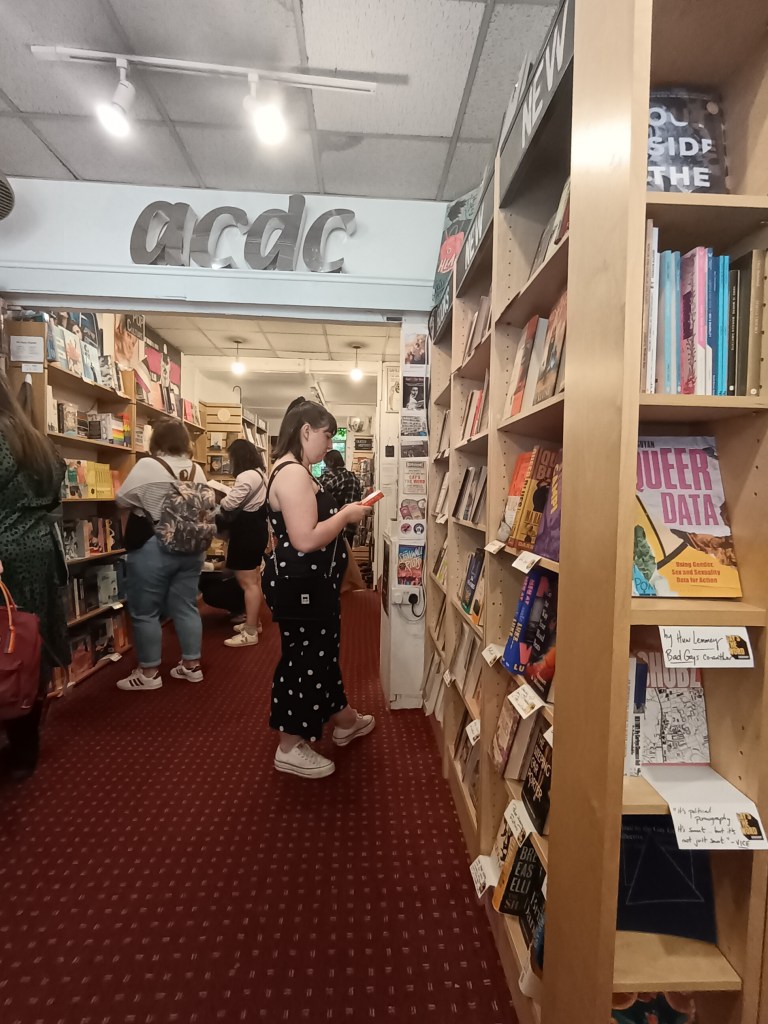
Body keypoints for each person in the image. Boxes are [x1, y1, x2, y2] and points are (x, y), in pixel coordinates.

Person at [264, 398, 374, 779]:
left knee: (320, 655)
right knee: (305, 659)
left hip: (311, 586)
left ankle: (343, 719)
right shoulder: (293, 474)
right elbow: (306, 539)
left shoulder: (296, 470)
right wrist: (345, 515)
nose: (330, 445)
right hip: (303, 588)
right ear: (305, 431)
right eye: (327, 435)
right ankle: (290, 744)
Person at [0, 372, 69, 781]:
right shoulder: (35, 439)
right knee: (28, 639)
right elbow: (57, 488)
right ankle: (26, 746)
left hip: (4, 550)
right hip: (38, 548)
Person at [115, 418, 209, 691]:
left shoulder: (147, 465)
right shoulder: (197, 470)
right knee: (187, 606)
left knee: (146, 612)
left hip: (154, 547)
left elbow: (122, 499)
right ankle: (192, 667)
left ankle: (149, 673)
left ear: (156, 440)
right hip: (192, 549)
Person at [220, 438, 268, 648]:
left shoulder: (245, 476)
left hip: (245, 533)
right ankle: (253, 622)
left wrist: (220, 497)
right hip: (256, 531)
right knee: (254, 579)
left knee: (247, 582)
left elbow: (230, 504)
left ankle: (250, 631)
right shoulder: (260, 474)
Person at [320, 448, 362, 545]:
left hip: (331, 524)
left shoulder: (329, 477)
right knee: (346, 556)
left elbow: (318, 496)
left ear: (330, 462)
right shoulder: (353, 477)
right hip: (350, 525)